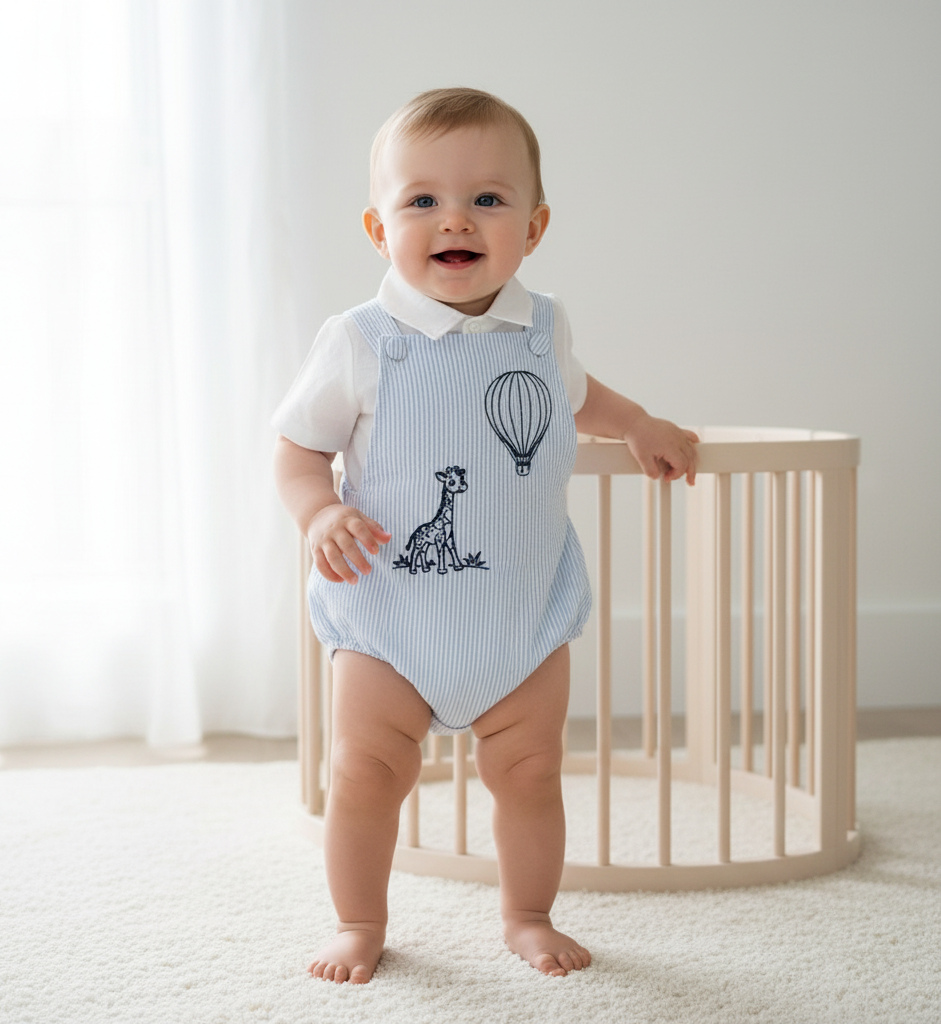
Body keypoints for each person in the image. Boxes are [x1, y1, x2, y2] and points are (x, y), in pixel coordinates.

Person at [273, 87, 698, 985]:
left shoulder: (543, 329)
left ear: (533, 228)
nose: (455, 219)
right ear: (378, 228)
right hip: (390, 620)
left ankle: (527, 914)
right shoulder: (362, 340)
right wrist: (319, 511)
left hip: (520, 620)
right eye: (422, 199)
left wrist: (639, 423)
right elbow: (298, 447)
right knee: (365, 774)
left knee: (532, 775)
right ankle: (358, 921)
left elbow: (579, 398)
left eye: (488, 199)